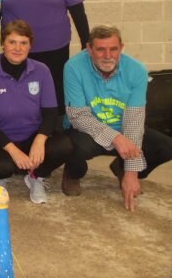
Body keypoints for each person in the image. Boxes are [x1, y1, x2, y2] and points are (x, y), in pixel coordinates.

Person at [62, 24, 172, 211]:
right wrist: (115, 137)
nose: (108, 55)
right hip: (88, 128)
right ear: (89, 49)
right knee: (72, 145)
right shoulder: (73, 67)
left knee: (165, 147)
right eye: (101, 49)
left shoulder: (137, 70)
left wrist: (132, 171)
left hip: (124, 128)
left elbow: (135, 120)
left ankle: (121, 168)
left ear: (121, 48)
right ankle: (73, 174)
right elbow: (78, 116)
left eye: (113, 49)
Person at [0, 20, 73, 204]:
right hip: (2, 140)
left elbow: (50, 112)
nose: (17, 48)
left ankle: (35, 176)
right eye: (12, 42)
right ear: (2, 43)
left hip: (32, 135)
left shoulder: (42, 71)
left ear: (30, 46)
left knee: (65, 146)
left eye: (23, 43)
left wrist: (40, 140)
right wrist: (14, 152)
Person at [0, 0, 90, 114]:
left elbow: (77, 10)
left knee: (54, 95)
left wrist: (86, 42)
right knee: (21, 95)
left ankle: (54, 131)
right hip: (18, 51)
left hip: (54, 49)